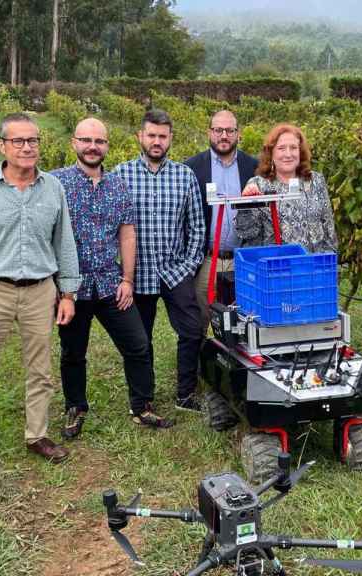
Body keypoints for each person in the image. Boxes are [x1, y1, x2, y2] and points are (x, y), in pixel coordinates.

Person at [0, 113, 81, 466]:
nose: (27, 147)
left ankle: (37, 435)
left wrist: (68, 294)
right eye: (19, 141)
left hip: (41, 291)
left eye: (33, 140)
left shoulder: (54, 189)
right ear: (2, 146)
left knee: (40, 370)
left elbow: (64, 244)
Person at [51, 118, 174, 439]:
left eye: (100, 141)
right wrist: (57, 285)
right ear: (74, 143)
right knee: (73, 352)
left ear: (107, 146)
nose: (93, 147)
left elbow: (127, 235)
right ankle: (75, 406)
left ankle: (142, 405)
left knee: (137, 344)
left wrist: (128, 280)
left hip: (109, 283)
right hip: (72, 288)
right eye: (86, 140)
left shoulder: (118, 184)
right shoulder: (55, 183)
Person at [114, 109, 207, 413]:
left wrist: (189, 265)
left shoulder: (185, 176)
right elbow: (110, 226)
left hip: (174, 271)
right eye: (151, 135)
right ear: (140, 137)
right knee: (140, 341)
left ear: (170, 139)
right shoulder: (120, 175)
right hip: (136, 275)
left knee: (192, 331)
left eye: (162, 136)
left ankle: (186, 393)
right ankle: (143, 398)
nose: (156, 141)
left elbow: (196, 228)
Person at [183, 110, 259, 331]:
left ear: (238, 134)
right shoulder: (192, 167)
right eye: (218, 130)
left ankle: (234, 363)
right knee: (199, 318)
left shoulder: (253, 167)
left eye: (229, 130)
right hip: (207, 260)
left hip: (242, 258)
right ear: (210, 132)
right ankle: (197, 364)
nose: (223, 135)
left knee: (242, 317)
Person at [237, 123, 337, 254]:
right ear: (271, 153)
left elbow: (329, 229)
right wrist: (246, 205)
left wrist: (326, 262)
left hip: (314, 268)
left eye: (293, 148)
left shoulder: (316, 181)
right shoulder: (258, 184)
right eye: (281, 148)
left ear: (300, 153)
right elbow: (247, 233)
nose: (288, 154)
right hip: (277, 269)